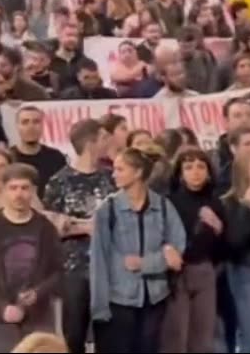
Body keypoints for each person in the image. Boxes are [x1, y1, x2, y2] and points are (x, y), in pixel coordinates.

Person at [90, 148, 187, 354]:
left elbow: (176, 254)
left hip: (155, 297)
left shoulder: (162, 206)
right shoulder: (108, 210)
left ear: (138, 172)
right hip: (119, 299)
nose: (114, 174)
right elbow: (99, 261)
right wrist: (99, 308)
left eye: (120, 169)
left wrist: (145, 264)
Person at [0, 163, 63, 353]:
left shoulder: (45, 229)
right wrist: (1, 308)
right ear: (3, 191)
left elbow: (58, 272)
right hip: (0, 319)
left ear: (34, 191)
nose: (19, 194)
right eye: (13, 188)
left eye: (24, 188)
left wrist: (38, 293)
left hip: (39, 317)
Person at [42, 120, 116, 354]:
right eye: (104, 137)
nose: (109, 142)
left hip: (109, 266)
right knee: (74, 333)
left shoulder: (111, 178)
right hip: (73, 267)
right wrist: (86, 227)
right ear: (90, 143)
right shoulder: (59, 182)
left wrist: (73, 223)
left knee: (108, 332)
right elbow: (50, 224)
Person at [161, 148, 226, 353]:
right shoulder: (169, 202)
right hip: (176, 274)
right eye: (188, 167)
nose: (195, 172)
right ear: (180, 174)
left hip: (205, 270)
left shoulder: (216, 203)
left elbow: (227, 247)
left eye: (200, 166)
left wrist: (219, 227)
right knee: (176, 337)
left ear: (208, 172)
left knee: (203, 338)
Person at [219, 150, 250, 354]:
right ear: (244, 170)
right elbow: (234, 243)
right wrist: (249, 208)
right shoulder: (230, 203)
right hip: (246, 273)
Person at [9, 107, 67, 188]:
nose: (31, 127)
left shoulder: (56, 158)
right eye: (25, 122)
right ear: (17, 126)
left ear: (42, 125)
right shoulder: (7, 158)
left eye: (36, 122)